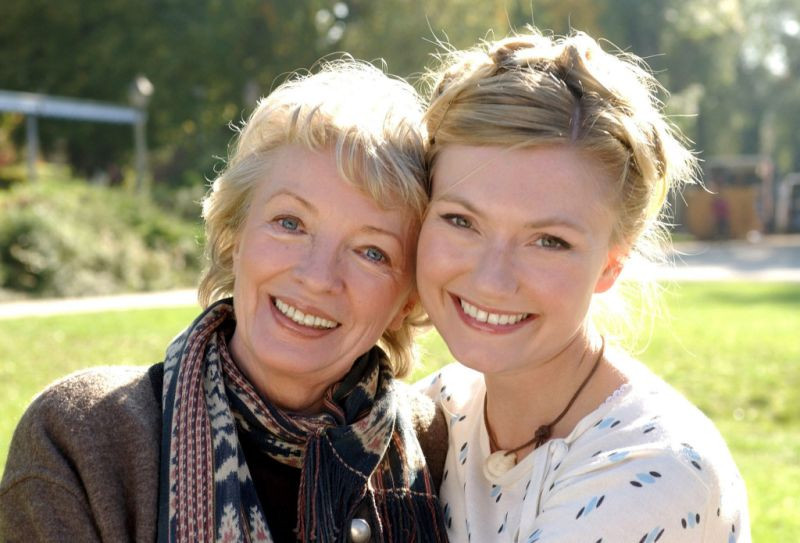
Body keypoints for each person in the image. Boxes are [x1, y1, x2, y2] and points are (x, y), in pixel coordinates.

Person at [0, 60, 449, 542]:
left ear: (408, 297)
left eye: (371, 252)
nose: (318, 278)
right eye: (290, 223)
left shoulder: (443, 451)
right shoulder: (82, 439)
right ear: (236, 233)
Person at [416, 30, 750, 542]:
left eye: (548, 241)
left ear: (612, 263)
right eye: (461, 221)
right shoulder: (438, 409)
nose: (492, 277)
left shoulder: (654, 471)